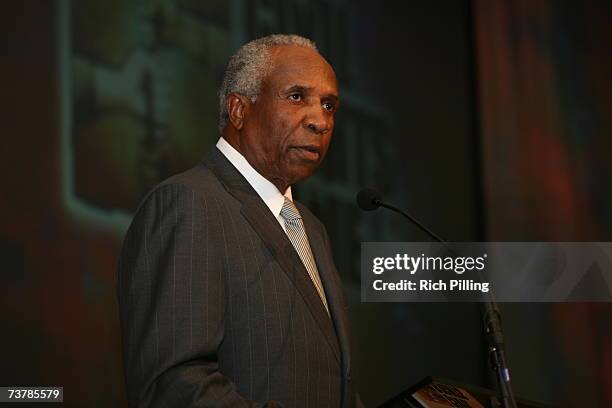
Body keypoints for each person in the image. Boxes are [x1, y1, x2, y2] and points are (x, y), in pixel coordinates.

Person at [118, 34, 362, 407]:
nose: (320, 121)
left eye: (329, 105)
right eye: (297, 97)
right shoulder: (189, 203)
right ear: (238, 110)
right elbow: (174, 385)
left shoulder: (310, 227)